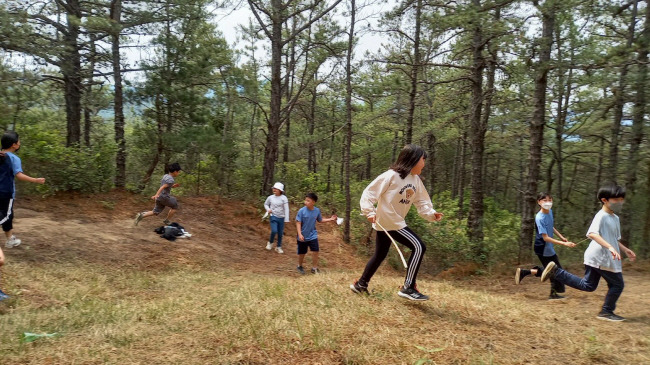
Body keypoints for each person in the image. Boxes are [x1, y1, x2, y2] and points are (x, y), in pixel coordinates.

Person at [350, 144, 443, 301]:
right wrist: (369, 212)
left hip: (388, 223)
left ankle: (361, 284)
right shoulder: (391, 176)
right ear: (413, 159)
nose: (424, 163)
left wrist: (431, 214)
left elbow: (422, 202)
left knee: (380, 254)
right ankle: (408, 287)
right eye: (422, 159)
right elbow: (369, 194)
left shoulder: (416, 180)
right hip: (390, 221)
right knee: (419, 246)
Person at [541, 183, 636, 322]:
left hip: (598, 256)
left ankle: (556, 272)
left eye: (622, 199)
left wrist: (625, 249)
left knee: (588, 285)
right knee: (617, 284)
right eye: (617, 199)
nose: (620, 202)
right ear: (604, 200)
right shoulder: (601, 216)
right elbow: (592, 234)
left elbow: (614, 239)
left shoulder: (615, 218)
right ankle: (606, 311)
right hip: (601, 257)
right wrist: (609, 247)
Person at [515, 192, 576, 300]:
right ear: (539, 202)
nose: (548, 202)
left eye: (550, 200)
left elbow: (551, 226)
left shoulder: (549, 212)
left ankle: (525, 272)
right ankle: (553, 295)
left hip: (548, 247)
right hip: (542, 247)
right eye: (545, 200)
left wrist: (561, 237)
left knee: (553, 269)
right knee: (554, 270)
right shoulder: (539, 218)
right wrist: (564, 243)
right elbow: (545, 237)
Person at [0, 131, 46, 248]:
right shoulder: (14, 158)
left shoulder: (0, 154)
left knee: (8, 215)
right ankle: (10, 239)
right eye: (19, 141)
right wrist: (36, 180)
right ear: (14, 145)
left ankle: (10, 239)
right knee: (6, 216)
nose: (20, 143)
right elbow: (19, 175)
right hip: (6, 192)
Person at [295, 192, 337, 274]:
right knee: (302, 252)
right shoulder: (301, 211)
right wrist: (300, 234)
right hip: (303, 235)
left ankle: (314, 268)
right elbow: (298, 223)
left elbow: (320, 220)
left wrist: (330, 219)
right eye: (305, 200)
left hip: (312, 235)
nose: (306, 202)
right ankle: (299, 266)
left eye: (308, 201)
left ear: (313, 202)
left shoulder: (317, 210)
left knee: (316, 251)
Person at [264, 182, 290, 254]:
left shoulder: (284, 198)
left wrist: (286, 219)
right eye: (274, 188)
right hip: (273, 216)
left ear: (280, 190)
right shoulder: (270, 197)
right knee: (274, 231)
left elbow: (286, 209)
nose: (274, 190)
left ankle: (278, 247)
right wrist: (268, 209)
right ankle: (270, 243)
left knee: (280, 233)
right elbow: (266, 204)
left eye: (276, 189)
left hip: (281, 218)